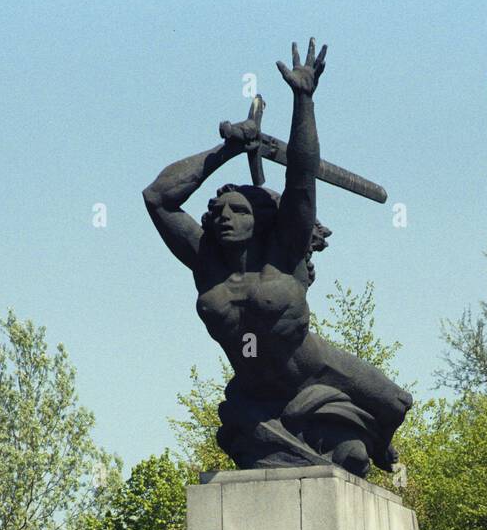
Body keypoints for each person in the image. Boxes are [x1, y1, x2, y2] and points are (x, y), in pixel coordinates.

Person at [142, 38, 412, 475]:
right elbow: (158, 197)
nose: (224, 217)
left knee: (394, 405)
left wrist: (303, 100)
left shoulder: (282, 253)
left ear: (261, 221)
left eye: (239, 210)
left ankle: (375, 444)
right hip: (255, 397)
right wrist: (225, 151)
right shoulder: (207, 262)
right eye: (218, 212)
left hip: (317, 374)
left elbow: (303, 178)